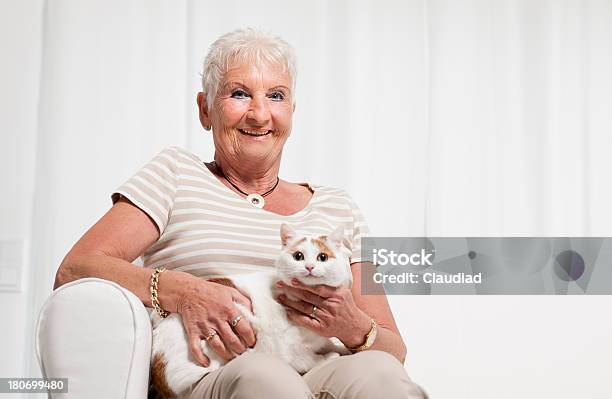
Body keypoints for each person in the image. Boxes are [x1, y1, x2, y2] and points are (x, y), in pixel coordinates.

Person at [53, 28, 427, 399]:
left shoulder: (337, 206)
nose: (259, 114)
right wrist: (184, 291)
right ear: (205, 109)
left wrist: (354, 326)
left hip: (319, 372)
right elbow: (76, 268)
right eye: (239, 93)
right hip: (214, 371)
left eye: (276, 96)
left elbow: (396, 352)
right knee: (264, 377)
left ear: (292, 111)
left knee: (381, 376)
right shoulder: (175, 174)